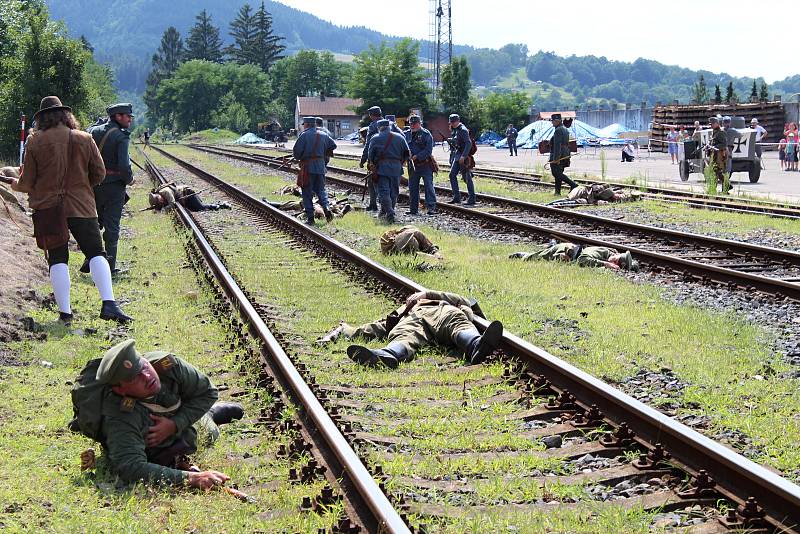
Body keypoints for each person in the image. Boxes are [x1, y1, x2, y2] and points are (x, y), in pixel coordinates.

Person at [5, 97, 131, 324]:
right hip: (82, 204)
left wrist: (15, 184)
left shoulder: (35, 142)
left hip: (48, 208)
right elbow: (99, 174)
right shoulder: (85, 138)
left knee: (57, 258)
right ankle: (109, 305)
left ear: (41, 118)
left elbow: (27, 182)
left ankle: (65, 314)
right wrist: (82, 187)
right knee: (95, 253)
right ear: (66, 116)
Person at [71, 338, 244, 487]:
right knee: (197, 437)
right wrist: (192, 478)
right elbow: (131, 467)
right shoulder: (120, 415)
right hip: (154, 450)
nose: (147, 377)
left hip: (180, 422)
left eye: (143, 367)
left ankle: (210, 414)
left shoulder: (168, 366)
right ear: (120, 390)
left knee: (209, 432)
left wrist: (175, 424)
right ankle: (205, 418)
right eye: (135, 378)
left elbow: (208, 392)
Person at [318, 290, 503, 369]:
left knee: (457, 323)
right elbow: (375, 327)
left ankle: (476, 345)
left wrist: (427, 294)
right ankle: (387, 355)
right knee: (405, 335)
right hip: (414, 321)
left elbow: (463, 300)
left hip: (442, 311)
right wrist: (343, 330)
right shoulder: (401, 316)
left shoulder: (441, 300)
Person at [292, 116, 337, 224]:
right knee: (321, 190)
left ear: (306, 124)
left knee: (307, 192)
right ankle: (326, 207)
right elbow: (333, 146)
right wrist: (322, 153)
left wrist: (302, 156)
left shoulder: (304, 135)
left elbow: (296, 153)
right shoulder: (324, 135)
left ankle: (310, 218)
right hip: (321, 167)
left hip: (308, 168)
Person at [360, 106, 403, 211]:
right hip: (395, 160)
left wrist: (364, 159)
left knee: (374, 182)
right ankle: (389, 208)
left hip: (378, 160)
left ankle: (375, 205)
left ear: (371, 115)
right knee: (392, 187)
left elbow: (368, 144)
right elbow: (403, 136)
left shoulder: (373, 126)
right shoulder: (391, 124)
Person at [368, 119, 410, 224]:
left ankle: (390, 212)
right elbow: (407, 153)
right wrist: (401, 162)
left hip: (382, 169)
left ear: (379, 127)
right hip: (396, 168)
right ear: (389, 126)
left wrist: (372, 164)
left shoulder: (375, 138)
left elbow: (370, 155)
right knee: (394, 192)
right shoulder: (400, 137)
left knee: (383, 192)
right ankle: (386, 211)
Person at [509, 241, 640, 271]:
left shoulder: (613, 257)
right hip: (564, 251)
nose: (614, 263)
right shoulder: (602, 253)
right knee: (532, 259)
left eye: (617, 264)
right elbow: (583, 260)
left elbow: (633, 265)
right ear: (616, 255)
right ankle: (521, 254)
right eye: (615, 261)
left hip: (567, 258)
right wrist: (605, 264)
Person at [404, 115, 437, 216]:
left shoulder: (426, 134)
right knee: (412, 188)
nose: (413, 126)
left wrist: (417, 156)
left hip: (425, 164)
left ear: (419, 123)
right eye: (411, 124)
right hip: (412, 166)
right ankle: (413, 209)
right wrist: (406, 155)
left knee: (428, 186)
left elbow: (428, 150)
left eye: (415, 124)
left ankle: (431, 208)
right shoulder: (406, 134)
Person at [447, 114, 476, 205]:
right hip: (457, 156)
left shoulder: (462, 130)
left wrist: (463, 156)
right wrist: (451, 140)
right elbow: (458, 140)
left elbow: (468, 143)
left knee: (467, 177)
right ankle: (457, 197)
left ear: (457, 121)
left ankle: (472, 198)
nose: (452, 123)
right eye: (451, 122)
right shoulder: (455, 130)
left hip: (464, 157)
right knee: (452, 175)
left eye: (453, 122)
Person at [148, 183, 231, 212]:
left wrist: (163, 210)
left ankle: (221, 205)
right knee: (195, 209)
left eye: (160, 202)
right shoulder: (160, 194)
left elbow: (172, 203)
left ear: (158, 197)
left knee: (200, 208)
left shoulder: (165, 192)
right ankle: (218, 205)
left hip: (188, 193)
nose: (161, 203)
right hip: (185, 198)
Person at [548, 114, 578, 195]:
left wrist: (556, 159)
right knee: (559, 173)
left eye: (553, 121)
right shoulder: (565, 129)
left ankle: (573, 184)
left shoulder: (558, 130)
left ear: (557, 121)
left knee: (556, 173)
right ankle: (557, 192)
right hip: (565, 154)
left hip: (559, 155)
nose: (552, 123)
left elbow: (557, 145)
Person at [708, 116, 729, 190]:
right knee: (715, 172)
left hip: (720, 155)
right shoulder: (714, 132)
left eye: (712, 124)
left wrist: (714, 147)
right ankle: (714, 188)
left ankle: (725, 188)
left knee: (719, 172)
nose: (711, 126)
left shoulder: (721, 132)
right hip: (715, 155)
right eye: (710, 124)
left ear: (717, 123)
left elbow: (724, 144)